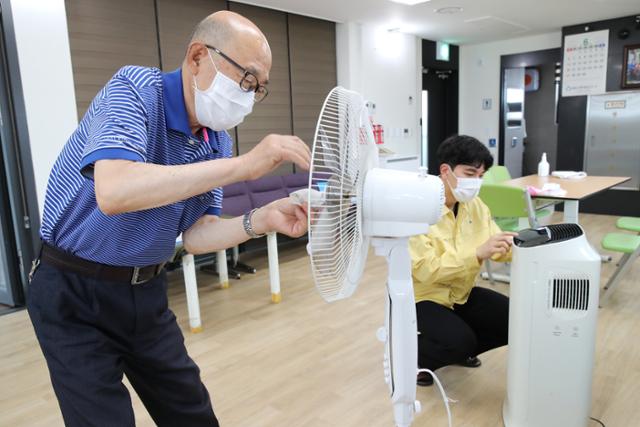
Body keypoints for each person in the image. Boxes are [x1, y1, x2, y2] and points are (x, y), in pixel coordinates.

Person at [27, 11, 310, 427]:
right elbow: (115, 190)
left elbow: (196, 235)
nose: (249, 97)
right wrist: (244, 167)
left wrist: (262, 219)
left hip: (145, 293)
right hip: (73, 291)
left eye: (259, 89)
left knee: (192, 413)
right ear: (198, 56)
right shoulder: (135, 90)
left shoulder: (215, 141)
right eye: (246, 80)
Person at [409, 135, 517, 386]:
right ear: (445, 170)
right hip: (423, 297)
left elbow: (495, 243)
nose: (475, 182)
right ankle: (415, 358)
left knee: (514, 319)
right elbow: (427, 270)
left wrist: (518, 246)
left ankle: (457, 347)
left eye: (481, 176)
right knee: (460, 342)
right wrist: (478, 253)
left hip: (460, 292)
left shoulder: (475, 205)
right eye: (470, 173)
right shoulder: (417, 209)